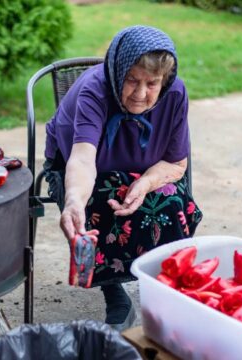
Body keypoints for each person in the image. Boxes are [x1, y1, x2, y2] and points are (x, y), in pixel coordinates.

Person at [44, 25, 203, 331]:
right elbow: (82, 160)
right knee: (102, 200)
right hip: (87, 169)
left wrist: (144, 183)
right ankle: (115, 292)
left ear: (165, 81)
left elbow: (176, 163)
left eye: (152, 83)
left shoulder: (175, 94)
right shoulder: (94, 90)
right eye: (132, 80)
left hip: (145, 169)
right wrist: (74, 200)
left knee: (169, 201)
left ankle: (165, 289)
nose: (141, 94)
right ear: (118, 73)